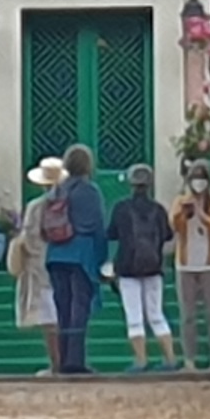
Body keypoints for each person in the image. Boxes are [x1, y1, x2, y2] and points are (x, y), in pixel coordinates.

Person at [35, 142, 109, 376]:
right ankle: (75, 360)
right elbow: (97, 227)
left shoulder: (56, 191)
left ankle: (63, 359)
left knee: (63, 308)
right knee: (79, 308)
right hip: (81, 255)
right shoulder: (90, 191)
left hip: (56, 255)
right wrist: (102, 261)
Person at [110, 161, 180, 371]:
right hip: (154, 268)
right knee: (156, 315)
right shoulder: (158, 209)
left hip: (127, 269)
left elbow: (111, 233)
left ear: (130, 183)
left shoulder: (121, 208)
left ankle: (141, 360)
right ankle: (170, 359)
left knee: (134, 317)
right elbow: (168, 235)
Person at [173, 170, 210, 356]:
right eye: (195, 179)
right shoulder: (181, 201)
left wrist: (203, 216)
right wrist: (184, 212)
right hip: (186, 266)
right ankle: (189, 359)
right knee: (188, 316)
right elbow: (174, 225)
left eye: (202, 179)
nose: (198, 183)